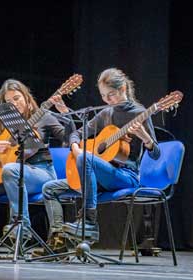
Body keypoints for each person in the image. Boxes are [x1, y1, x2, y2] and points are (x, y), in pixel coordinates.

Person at [33, 68, 161, 256]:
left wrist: (145, 137)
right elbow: (77, 133)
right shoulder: (105, 113)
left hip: (125, 176)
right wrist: (75, 146)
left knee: (86, 158)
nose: (108, 100)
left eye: (111, 94)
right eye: (103, 96)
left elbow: (156, 153)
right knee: (50, 189)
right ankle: (57, 241)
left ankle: (89, 221)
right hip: (97, 177)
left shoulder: (140, 113)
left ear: (123, 88)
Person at [0, 79, 72, 256]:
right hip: (10, 175)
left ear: (27, 98)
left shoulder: (44, 116)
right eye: (8, 102)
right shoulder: (2, 123)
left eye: (17, 98)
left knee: (11, 169)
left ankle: (21, 228)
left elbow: (69, 138)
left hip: (41, 172)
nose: (14, 104)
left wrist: (65, 114)